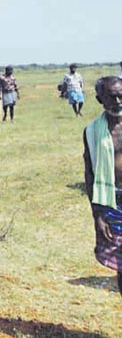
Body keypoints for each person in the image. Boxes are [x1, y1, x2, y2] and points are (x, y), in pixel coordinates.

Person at [82, 76, 122, 298]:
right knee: (121, 265)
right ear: (100, 99)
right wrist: (97, 214)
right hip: (111, 202)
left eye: (121, 95)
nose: (117, 101)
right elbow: (89, 174)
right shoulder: (91, 132)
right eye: (111, 96)